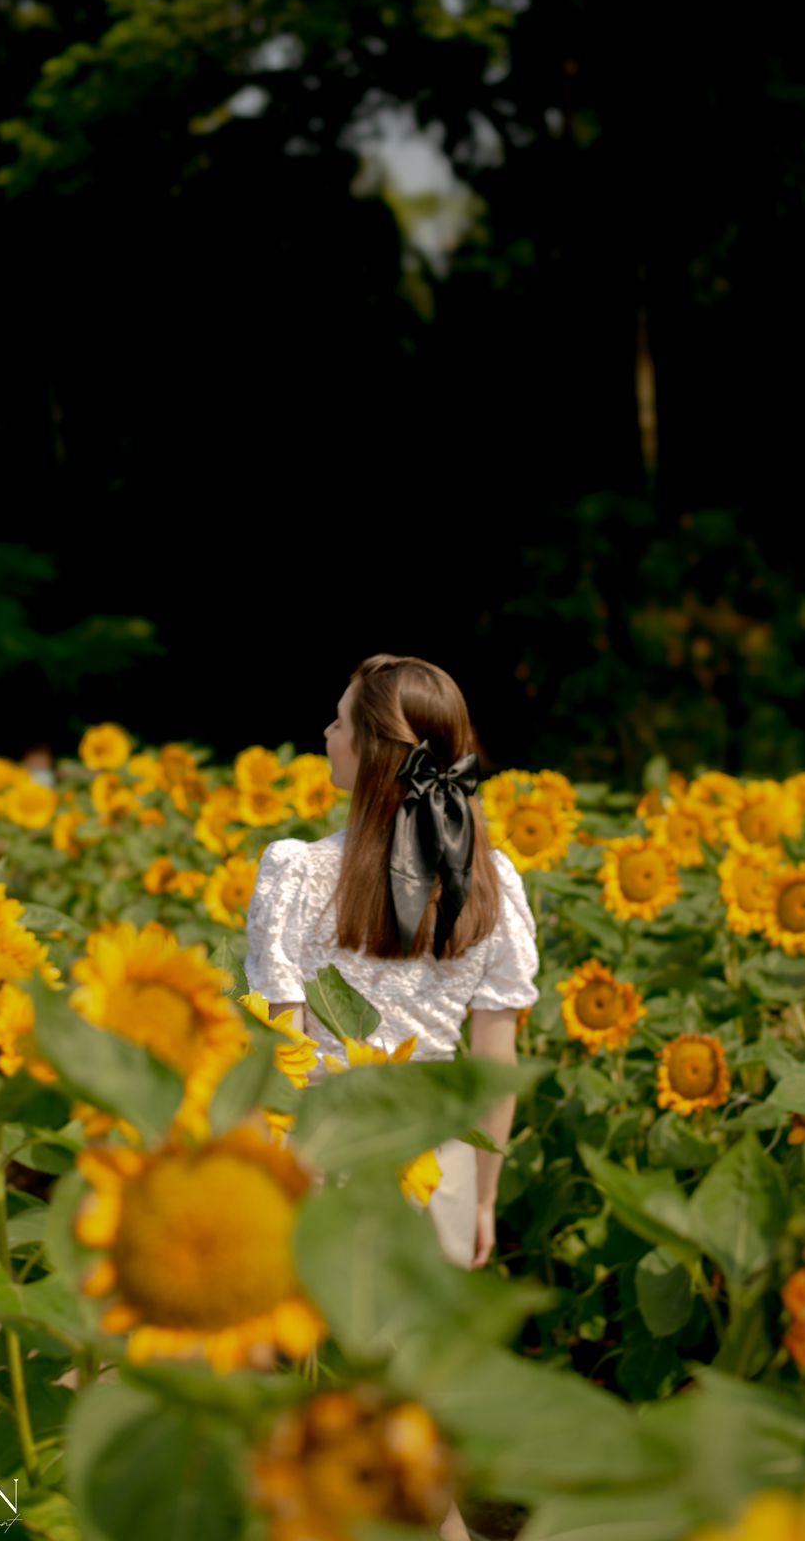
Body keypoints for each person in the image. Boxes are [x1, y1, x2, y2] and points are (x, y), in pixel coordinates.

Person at [243, 653, 540, 1541]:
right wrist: (480, 1201)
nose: (324, 733)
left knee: (306, 1423)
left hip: (327, 1168)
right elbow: (495, 1060)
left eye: (338, 720)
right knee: (408, 1429)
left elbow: (284, 1055)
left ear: (375, 751)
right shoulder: (494, 881)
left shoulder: (297, 873)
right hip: (435, 1171)